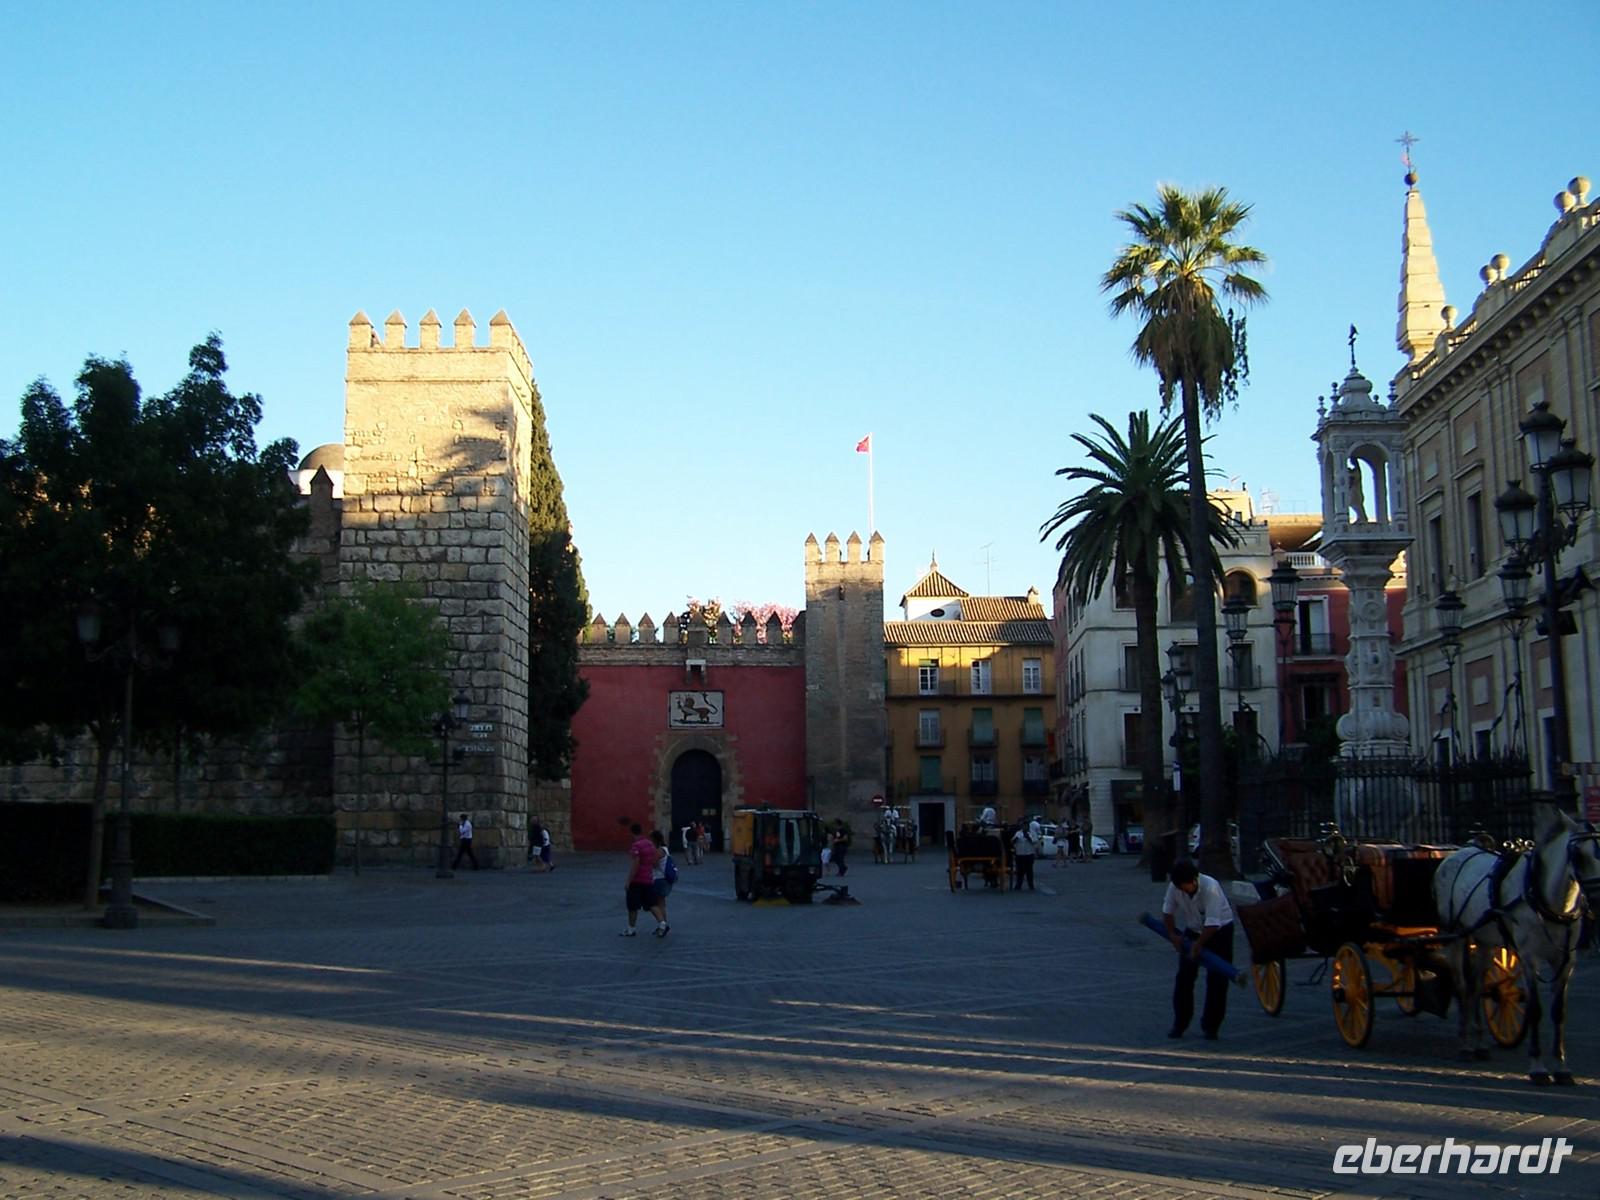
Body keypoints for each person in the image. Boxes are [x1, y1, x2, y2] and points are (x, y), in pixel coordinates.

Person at [1160, 859, 1236, 1039]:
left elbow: (1213, 924)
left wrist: (1198, 945)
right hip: (1193, 930)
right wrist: (1173, 935)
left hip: (1219, 932)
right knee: (1184, 978)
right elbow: (1167, 912)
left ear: (1194, 880)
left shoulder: (1211, 887)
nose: (1181, 890)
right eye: (1178, 886)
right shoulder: (1175, 887)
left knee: (1217, 981)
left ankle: (1211, 1026)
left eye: (1184, 886)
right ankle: (1180, 1023)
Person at [621, 822, 658, 937]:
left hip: (637, 880)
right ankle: (662, 923)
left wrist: (628, 881)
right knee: (652, 904)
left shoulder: (636, 846)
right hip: (648, 879)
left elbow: (635, 864)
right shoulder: (650, 844)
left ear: (632, 832)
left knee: (632, 906)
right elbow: (654, 860)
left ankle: (631, 929)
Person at [648, 829, 672, 937]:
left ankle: (663, 925)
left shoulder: (659, 850)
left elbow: (653, 863)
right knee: (661, 904)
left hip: (659, 879)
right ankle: (663, 925)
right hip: (663, 879)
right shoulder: (664, 849)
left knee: (656, 904)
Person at [1012, 822, 1038, 891]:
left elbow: (1035, 841)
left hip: (1029, 854)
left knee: (1029, 870)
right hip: (1019, 854)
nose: (1024, 828)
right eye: (1023, 826)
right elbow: (1013, 841)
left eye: (1026, 826)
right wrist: (1015, 839)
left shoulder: (1032, 833)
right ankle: (1018, 885)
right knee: (1019, 870)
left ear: (1028, 827)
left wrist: (1028, 837)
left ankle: (1031, 885)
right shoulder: (1018, 833)